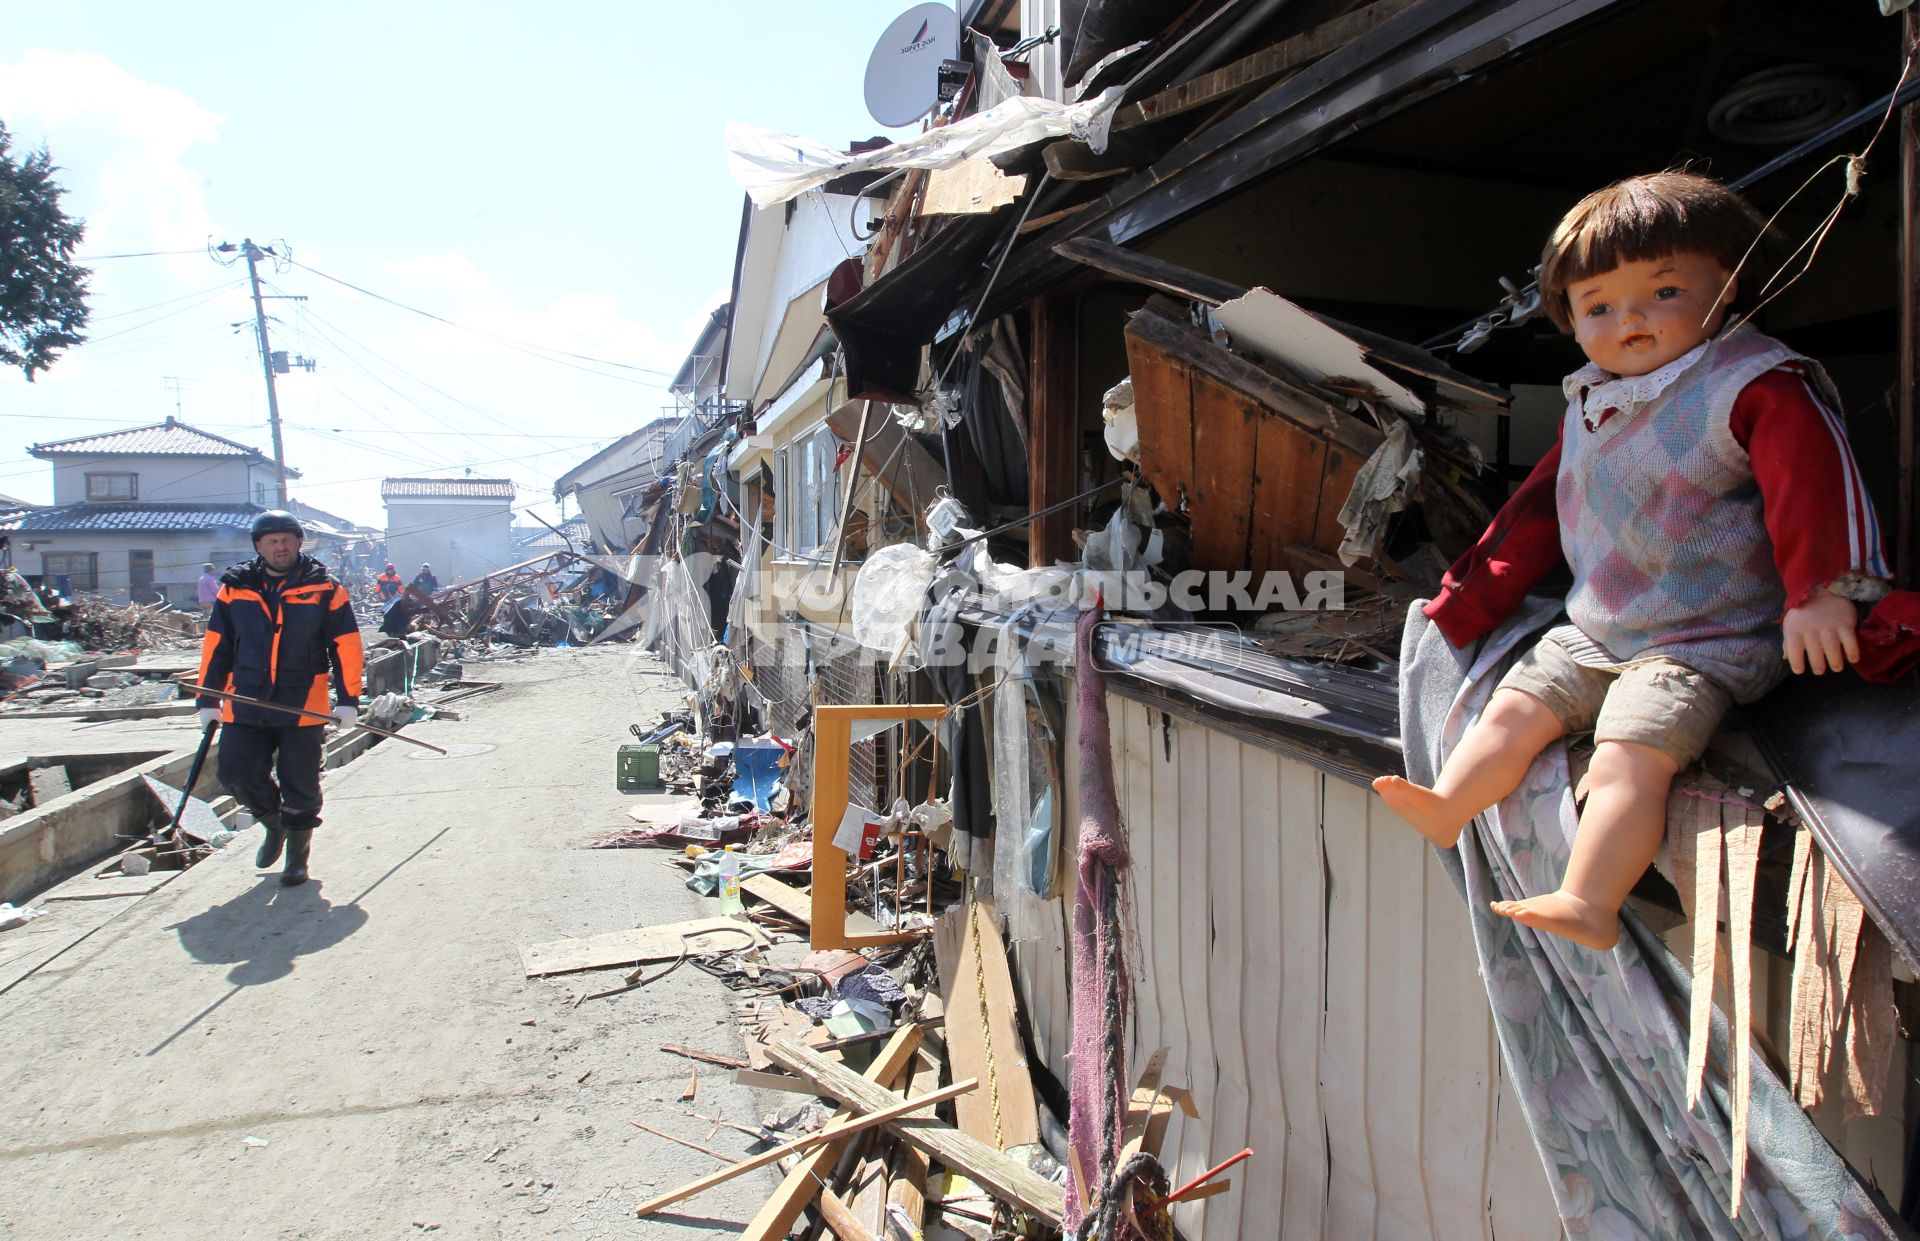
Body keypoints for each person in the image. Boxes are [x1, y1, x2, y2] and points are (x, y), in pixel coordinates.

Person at [1373, 171, 1892, 951]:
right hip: (1601, 623)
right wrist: (1468, 598)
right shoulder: (1593, 399)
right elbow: (1534, 512)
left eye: (1665, 291)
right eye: (1601, 306)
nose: (1633, 319)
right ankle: (1450, 801)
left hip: (1705, 638)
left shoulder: (1750, 384)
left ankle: (1589, 897)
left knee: (1629, 752)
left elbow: (1814, 486)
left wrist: (1821, 593)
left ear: (1729, 286)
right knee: (1514, 707)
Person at [197, 510, 364, 886]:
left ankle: (297, 857)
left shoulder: (325, 588)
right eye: (272, 541)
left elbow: (346, 646)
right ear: (259, 547)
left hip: (303, 702)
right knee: (235, 771)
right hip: (246, 700)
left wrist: (348, 698)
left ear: (298, 543)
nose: (280, 547)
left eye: (287, 539)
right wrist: (208, 700)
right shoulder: (235, 588)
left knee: (299, 780)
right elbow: (218, 646)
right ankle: (273, 823)